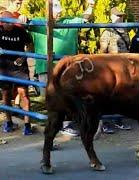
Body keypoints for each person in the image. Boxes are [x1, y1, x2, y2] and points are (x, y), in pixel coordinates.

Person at [29, 0, 94, 136]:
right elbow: (18, 24)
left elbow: (85, 18)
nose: (58, 15)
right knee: (51, 98)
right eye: (55, 12)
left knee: (68, 97)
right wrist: (21, 18)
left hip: (67, 70)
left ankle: (65, 125)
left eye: (59, 13)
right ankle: (54, 128)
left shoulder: (69, 22)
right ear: (48, 12)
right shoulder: (38, 22)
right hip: (46, 68)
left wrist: (91, 6)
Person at [98, 7, 131, 134]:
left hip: (123, 67)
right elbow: (102, 50)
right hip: (110, 67)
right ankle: (105, 122)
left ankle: (118, 120)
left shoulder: (125, 30)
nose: (120, 18)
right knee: (108, 95)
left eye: (121, 16)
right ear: (111, 17)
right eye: (117, 16)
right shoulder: (107, 31)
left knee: (121, 95)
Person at [0, 11, 33, 135]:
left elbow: (30, 46)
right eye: (5, 22)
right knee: (6, 94)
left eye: (10, 21)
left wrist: (23, 56)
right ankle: (8, 122)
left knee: (24, 94)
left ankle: (27, 124)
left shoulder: (20, 31)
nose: (8, 24)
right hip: (4, 67)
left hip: (19, 68)